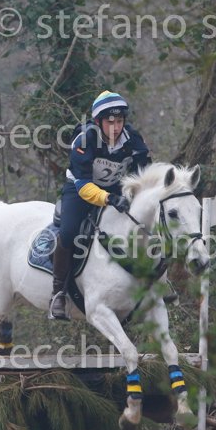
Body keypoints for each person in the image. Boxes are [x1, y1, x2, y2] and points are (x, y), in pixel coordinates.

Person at [49, 90, 152, 320]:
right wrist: (108, 199)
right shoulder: (84, 140)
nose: (116, 127)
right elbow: (83, 185)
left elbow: (143, 176)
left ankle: (158, 282)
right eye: (110, 122)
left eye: (120, 121)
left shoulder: (134, 139)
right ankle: (58, 293)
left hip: (116, 188)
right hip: (80, 189)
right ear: (98, 122)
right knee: (69, 233)